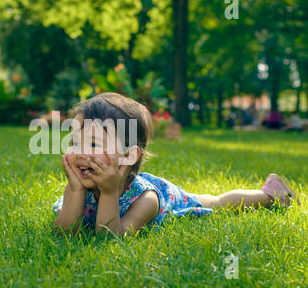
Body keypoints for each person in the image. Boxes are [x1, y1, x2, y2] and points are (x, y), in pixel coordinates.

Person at [52, 93, 300, 236]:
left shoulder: (146, 199)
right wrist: (75, 190)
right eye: (75, 141)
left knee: (216, 202)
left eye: (93, 145)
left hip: (169, 197)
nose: (80, 152)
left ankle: (271, 195)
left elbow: (109, 238)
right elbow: (64, 234)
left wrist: (108, 191)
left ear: (129, 156)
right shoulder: (78, 186)